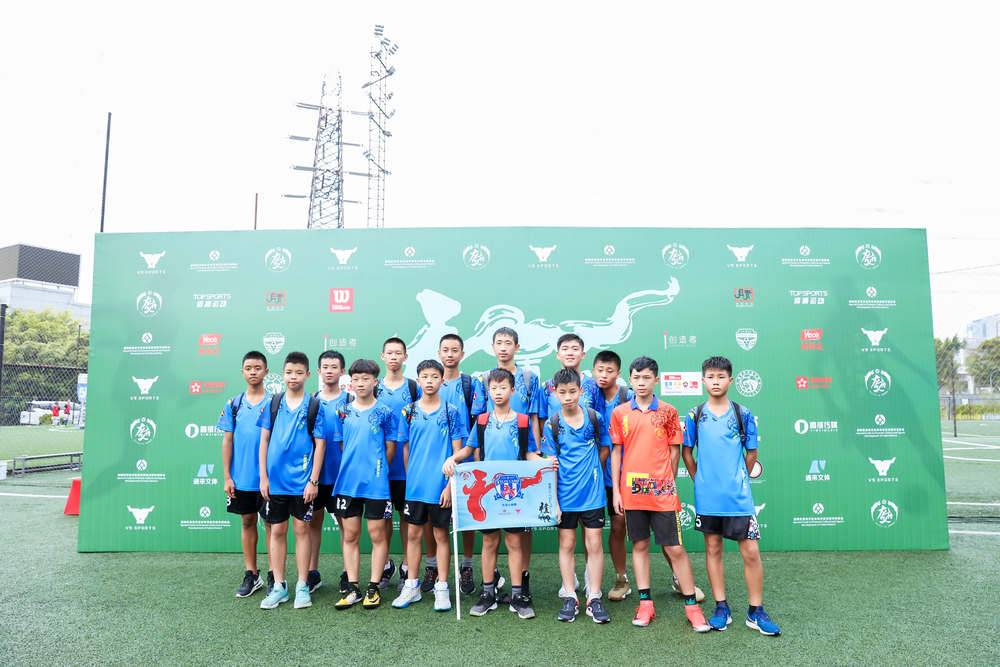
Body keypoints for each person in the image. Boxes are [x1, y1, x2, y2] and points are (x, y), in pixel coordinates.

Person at [593, 350, 706, 604]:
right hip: (632, 491)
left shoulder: (669, 411)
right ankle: (640, 598)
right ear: (630, 380)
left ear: (656, 379)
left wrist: (668, 482)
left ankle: (684, 587)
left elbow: (674, 450)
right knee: (640, 545)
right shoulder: (620, 413)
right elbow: (616, 452)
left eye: (646, 378)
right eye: (636, 378)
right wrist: (618, 492)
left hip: (662, 491)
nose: (641, 383)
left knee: (673, 545)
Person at [682, 356, 780, 636]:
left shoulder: (743, 413)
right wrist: (700, 479)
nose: (716, 382)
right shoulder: (695, 414)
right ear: (703, 380)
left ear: (731, 380)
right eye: (711, 377)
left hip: (738, 498)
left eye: (721, 376)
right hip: (708, 498)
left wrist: (739, 479)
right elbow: (687, 452)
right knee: (713, 549)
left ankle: (755, 611)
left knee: (751, 551)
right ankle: (721, 607)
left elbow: (752, 452)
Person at [446, 368, 538, 620]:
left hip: (514, 491)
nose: (498, 392)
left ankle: (518, 595)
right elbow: (468, 449)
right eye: (494, 388)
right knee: (489, 542)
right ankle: (488, 594)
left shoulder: (522, 421)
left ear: (512, 390)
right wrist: (453, 459)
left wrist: (545, 462)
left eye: (503, 387)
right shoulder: (482, 421)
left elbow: (529, 453)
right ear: (488, 391)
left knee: (514, 542)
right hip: (488, 492)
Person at [470, 327, 542, 605]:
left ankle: (522, 581)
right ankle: (489, 587)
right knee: (491, 538)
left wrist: (537, 455)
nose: (503, 347)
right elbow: (479, 422)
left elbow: (533, 418)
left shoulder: (528, 378)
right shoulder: (483, 379)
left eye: (508, 343)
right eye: (498, 343)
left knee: (520, 533)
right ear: (492, 347)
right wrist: (477, 462)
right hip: (490, 468)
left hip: (520, 465)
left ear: (517, 346)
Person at [392, 359, 468, 611]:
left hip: (440, 488)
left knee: (440, 535)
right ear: (418, 380)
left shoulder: (451, 411)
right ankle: (411, 586)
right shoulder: (408, 411)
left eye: (435, 377)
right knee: (413, 535)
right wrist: (411, 477)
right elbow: (405, 449)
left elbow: (457, 453)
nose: (429, 381)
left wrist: (449, 485)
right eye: (425, 376)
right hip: (415, 487)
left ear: (442, 380)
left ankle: (442, 587)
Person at [257, 352, 326, 610]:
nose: (293, 377)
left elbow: (320, 445)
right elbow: (264, 441)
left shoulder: (314, 406)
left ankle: (302, 586)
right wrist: (263, 477)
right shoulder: (273, 403)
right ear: (282, 374)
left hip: (302, 483)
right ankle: (279, 586)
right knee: (276, 531)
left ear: (307, 375)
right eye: (288, 372)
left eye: (298, 373)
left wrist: (313, 481)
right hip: (275, 483)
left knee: (301, 531)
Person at [541, 368, 611, 624]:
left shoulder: (594, 418)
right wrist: (555, 502)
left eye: (573, 391)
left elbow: (605, 448)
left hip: (593, 495)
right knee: (567, 545)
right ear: (555, 393)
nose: (568, 397)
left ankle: (594, 597)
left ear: (581, 391)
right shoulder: (552, 424)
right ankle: (570, 595)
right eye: (563, 393)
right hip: (565, 496)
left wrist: (592, 471)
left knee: (594, 545)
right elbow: (551, 465)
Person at [329, 359, 399, 610]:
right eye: (356, 379)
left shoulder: (385, 412)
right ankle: (353, 587)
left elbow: (390, 447)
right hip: (348, 483)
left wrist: (377, 469)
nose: (360, 383)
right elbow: (341, 444)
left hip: (376, 485)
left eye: (365, 379)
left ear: (375, 381)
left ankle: (373, 587)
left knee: (377, 534)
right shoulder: (343, 411)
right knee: (350, 535)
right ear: (351, 382)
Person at [218, 350, 272, 598]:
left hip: (269, 479)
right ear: (242, 372)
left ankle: (274, 574)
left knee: (272, 525)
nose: (253, 372)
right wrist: (227, 476)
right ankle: (252, 574)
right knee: (247, 522)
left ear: (266, 371)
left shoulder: (275, 403)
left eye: (257, 368)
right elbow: (227, 441)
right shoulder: (234, 404)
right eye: (249, 368)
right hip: (241, 478)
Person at [305, 350, 354, 595]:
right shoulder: (311, 401)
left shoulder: (351, 400)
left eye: (334, 367)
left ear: (342, 371)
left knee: (346, 525)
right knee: (313, 523)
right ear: (318, 371)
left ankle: (348, 573)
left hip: (342, 476)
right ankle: (312, 573)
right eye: (325, 367)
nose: (329, 371)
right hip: (316, 476)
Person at [433, 333, 478, 595]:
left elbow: (478, 424)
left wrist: (476, 460)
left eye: (454, 350)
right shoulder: (430, 383)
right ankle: (432, 567)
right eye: (445, 350)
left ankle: (467, 565)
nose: (449, 354)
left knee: (466, 517)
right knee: (434, 517)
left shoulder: (470, 384)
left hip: (464, 461)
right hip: (435, 462)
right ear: (439, 353)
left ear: (462, 354)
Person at [377, 337, 421, 589]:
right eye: (389, 353)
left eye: (398, 353)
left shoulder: (414, 388)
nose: (394, 357)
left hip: (407, 467)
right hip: (381, 467)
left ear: (405, 357)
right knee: (382, 519)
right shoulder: (374, 388)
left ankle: (407, 565)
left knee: (407, 519)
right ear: (382, 356)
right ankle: (384, 566)